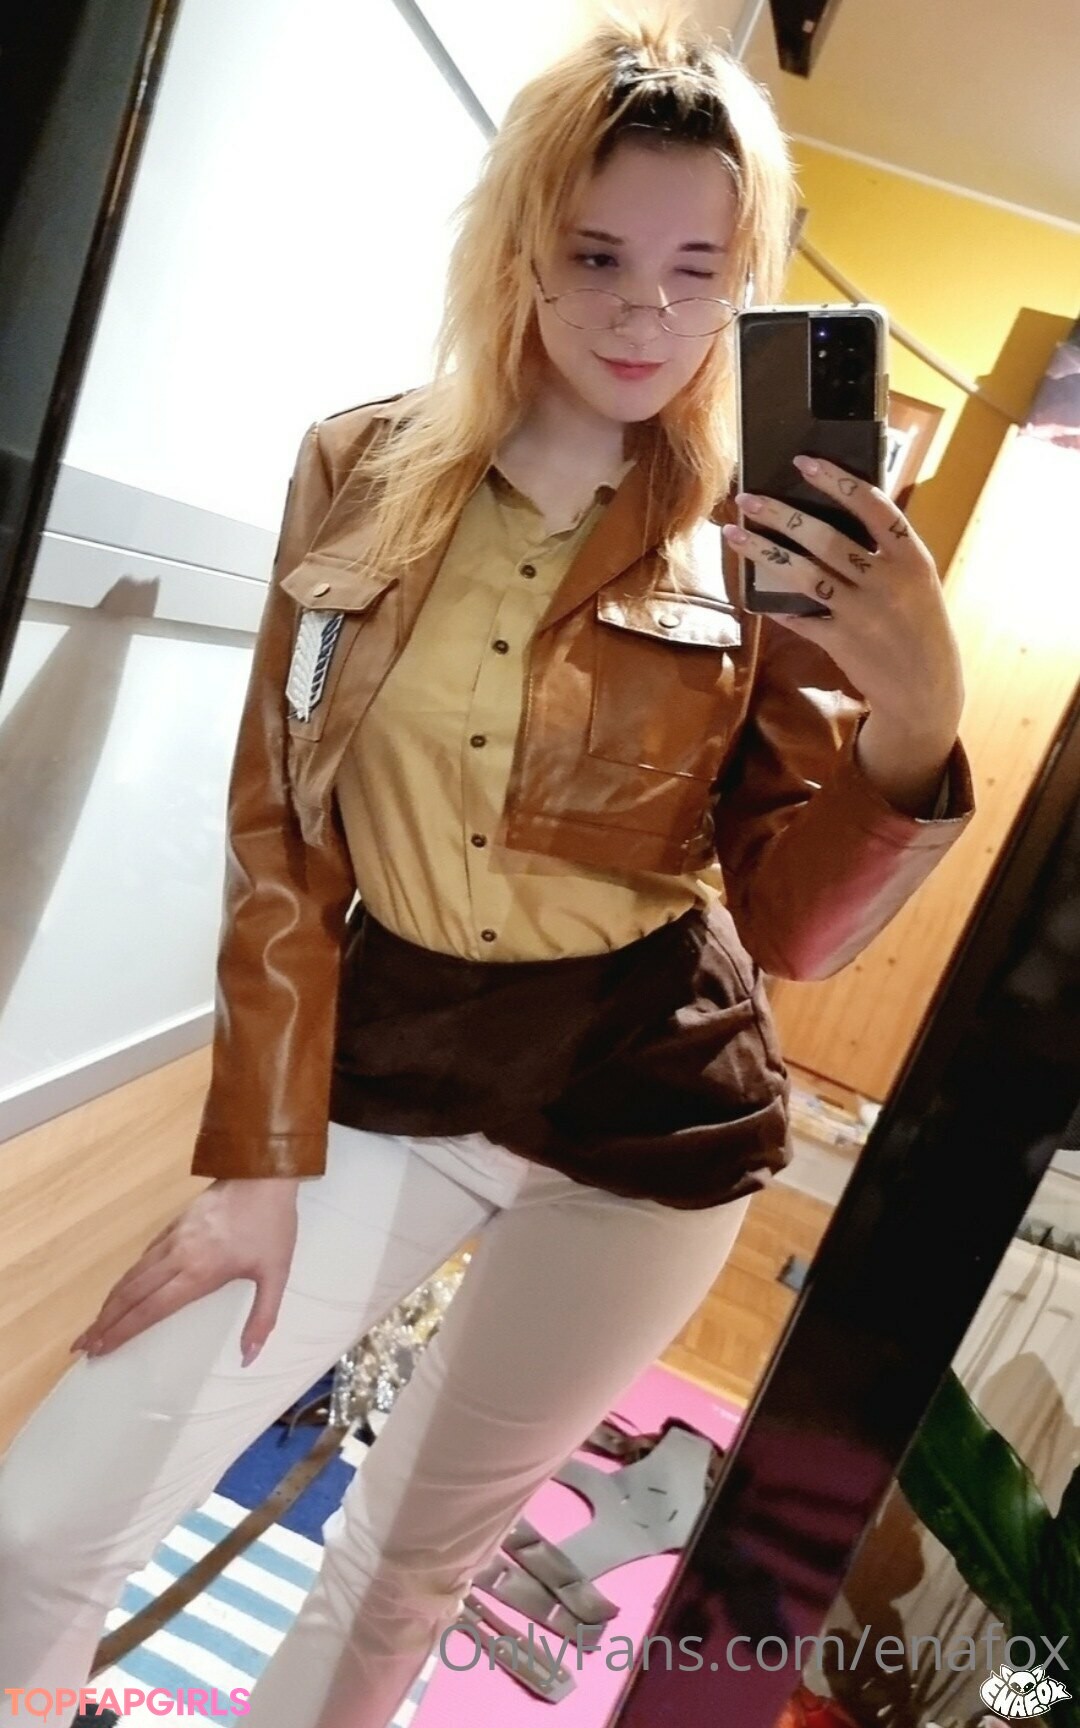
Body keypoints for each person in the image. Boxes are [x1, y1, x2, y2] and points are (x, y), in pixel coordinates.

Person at [0, 9, 974, 1726]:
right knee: (42, 1526)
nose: (644, 312)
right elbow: (282, 829)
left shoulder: (755, 542)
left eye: (695, 270)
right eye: (597, 255)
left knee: (405, 1570)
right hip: (397, 1065)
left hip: (655, 1115)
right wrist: (256, 1155)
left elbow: (790, 924)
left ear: (743, 282)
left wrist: (919, 724)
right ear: (521, 242)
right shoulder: (359, 469)